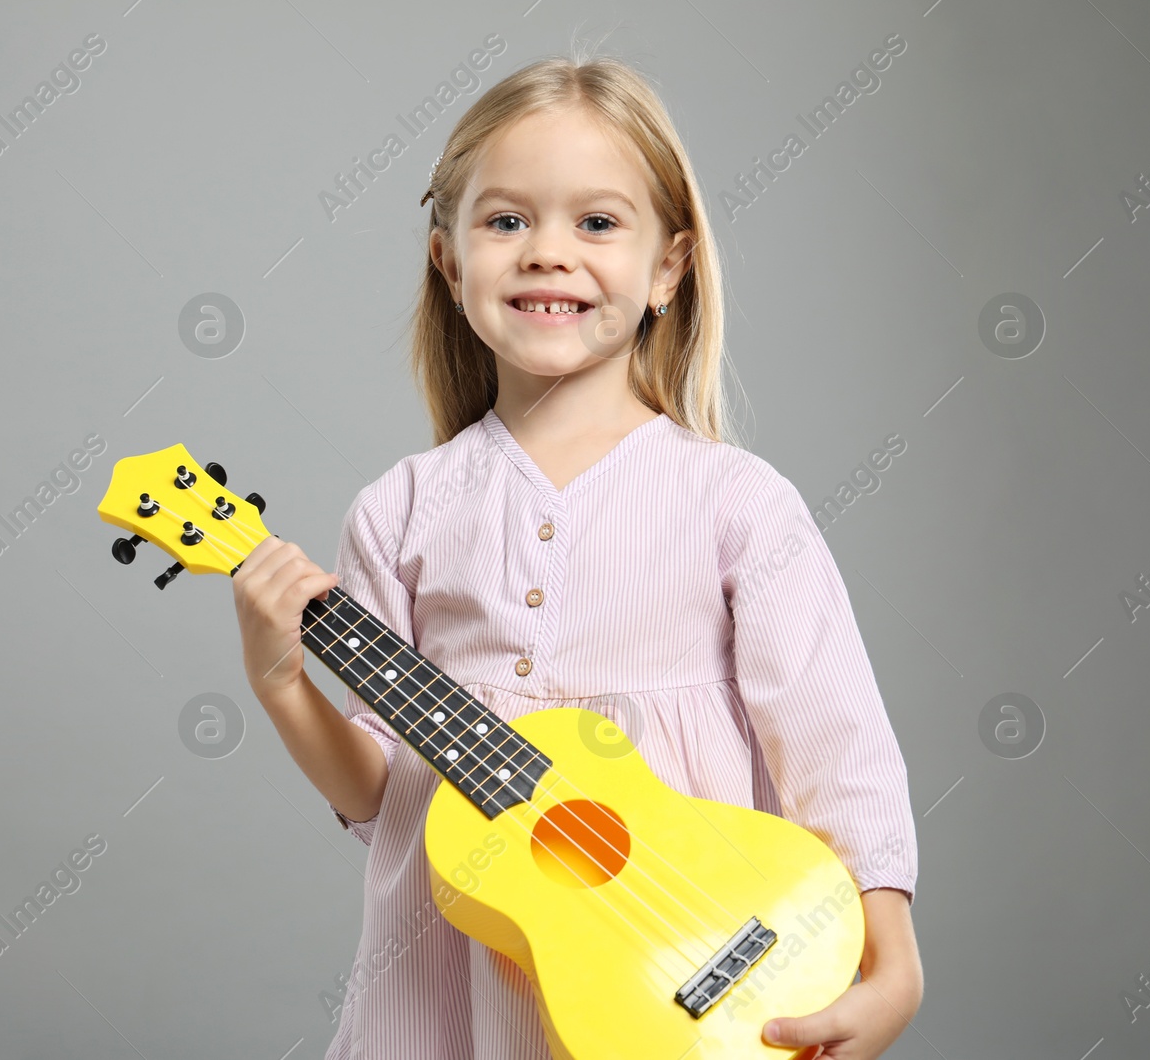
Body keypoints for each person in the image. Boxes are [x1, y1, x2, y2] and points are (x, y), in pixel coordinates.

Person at [231, 51, 923, 1060]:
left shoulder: (734, 501)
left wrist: (892, 963)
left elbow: (838, 748)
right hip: (452, 995)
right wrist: (279, 678)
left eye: (596, 222)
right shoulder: (401, 511)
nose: (547, 252)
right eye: (505, 220)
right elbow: (382, 794)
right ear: (447, 259)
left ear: (668, 267)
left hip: (684, 971)